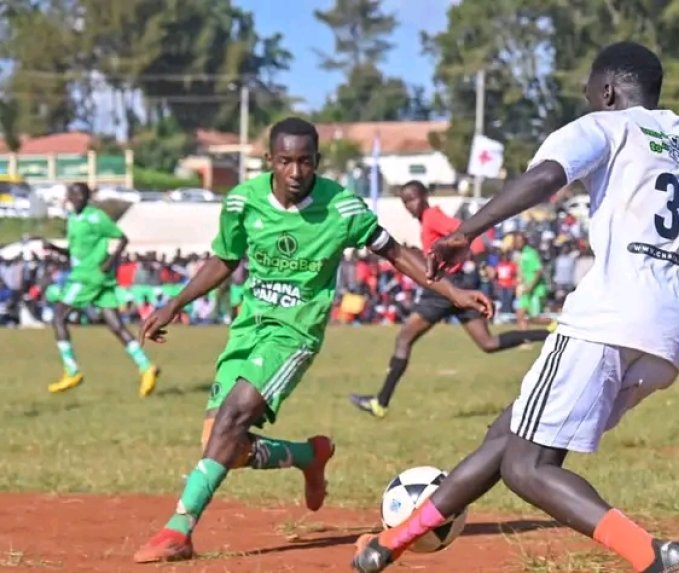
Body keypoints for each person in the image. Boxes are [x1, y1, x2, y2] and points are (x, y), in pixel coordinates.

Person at [351, 41, 679, 573]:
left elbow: (548, 177)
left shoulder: (607, 126)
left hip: (606, 317)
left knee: (526, 466)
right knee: (508, 436)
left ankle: (652, 555)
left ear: (607, 90)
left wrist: (467, 232)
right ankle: (387, 547)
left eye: (588, 93)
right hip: (669, 340)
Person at [132, 117, 492, 563]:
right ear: (270, 161)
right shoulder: (242, 203)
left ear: (317, 161)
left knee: (231, 420)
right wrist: (176, 302)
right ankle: (308, 455)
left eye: (305, 162)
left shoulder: (342, 209)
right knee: (223, 445)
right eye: (286, 161)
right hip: (248, 328)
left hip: (295, 333)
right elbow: (224, 259)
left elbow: (397, 254)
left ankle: (178, 531)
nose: (296, 172)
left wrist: (453, 291)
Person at [349, 180, 549, 418]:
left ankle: (380, 403)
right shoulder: (427, 221)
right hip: (457, 288)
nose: (410, 205)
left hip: (443, 291)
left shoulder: (433, 216)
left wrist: (482, 261)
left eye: (413, 198)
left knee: (404, 339)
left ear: (425, 196)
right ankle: (549, 335)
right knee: (489, 344)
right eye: (406, 202)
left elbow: (467, 236)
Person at [42, 182, 159, 397]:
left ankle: (72, 370)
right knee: (115, 325)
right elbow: (75, 252)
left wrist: (111, 262)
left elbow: (122, 238)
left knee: (58, 317)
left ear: (87, 198)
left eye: (80, 195)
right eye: (72, 194)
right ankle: (146, 367)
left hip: (89, 276)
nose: (75, 198)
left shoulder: (95, 217)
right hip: (93, 276)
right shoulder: (72, 220)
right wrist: (54, 249)